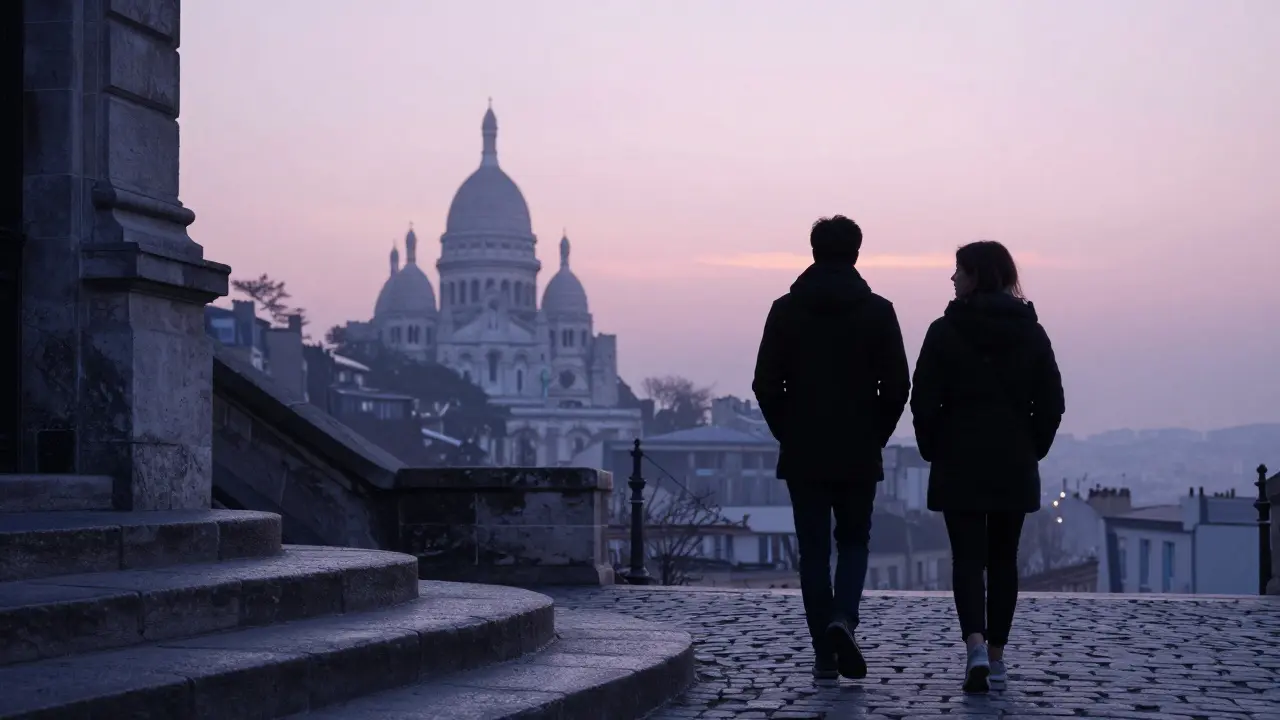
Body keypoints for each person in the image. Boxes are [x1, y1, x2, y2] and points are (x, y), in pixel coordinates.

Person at [752, 215, 910, 683]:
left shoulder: (785, 309)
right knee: (855, 541)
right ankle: (844, 618)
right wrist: (875, 433)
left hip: (804, 450)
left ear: (814, 251)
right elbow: (898, 385)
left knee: (814, 550)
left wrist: (789, 430)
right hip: (858, 449)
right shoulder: (879, 311)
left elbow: (765, 384)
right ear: (857, 254)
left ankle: (824, 652)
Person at [909, 240, 1065, 694]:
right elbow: (1052, 402)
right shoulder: (1031, 333)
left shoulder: (943, 331)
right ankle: (996, 654)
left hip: (959, 459)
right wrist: (1030, 447)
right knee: (1002, 560)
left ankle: (974, 645)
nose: (952, 279)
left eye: (958, 270)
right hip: (1011, 460)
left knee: (967, 558)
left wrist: (933, 446)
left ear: (977, 275)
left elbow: (923, 399)